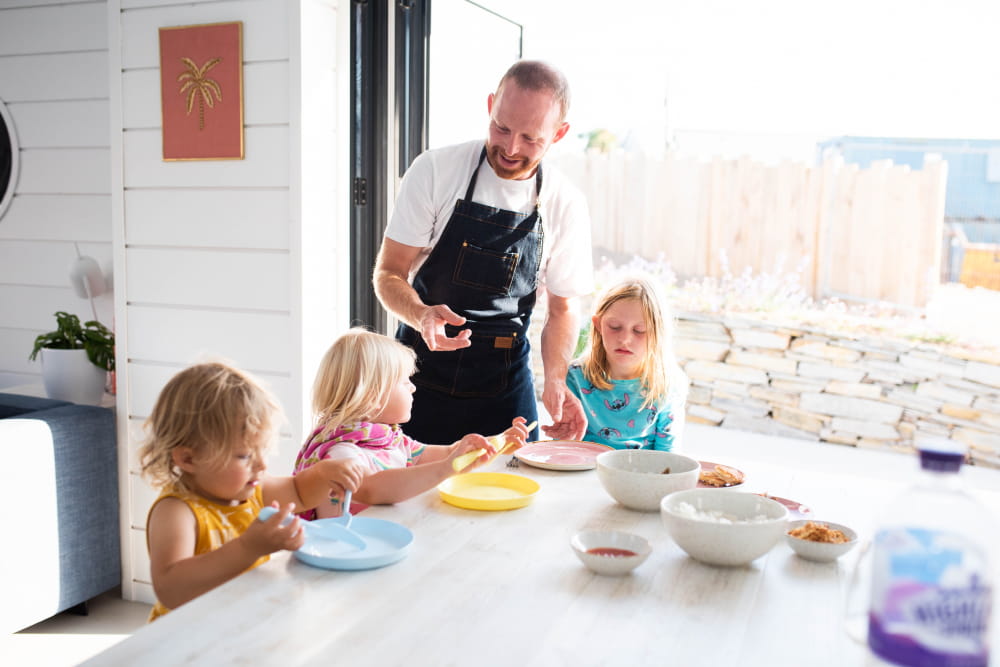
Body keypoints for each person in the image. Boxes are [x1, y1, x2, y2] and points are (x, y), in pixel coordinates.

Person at [373, 59, 594, 446]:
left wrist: (556, 381)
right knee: (402, 494)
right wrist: (422, 314)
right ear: (491, 104)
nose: (510, 147)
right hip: (413, 373)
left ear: (559, 134)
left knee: (512, 493)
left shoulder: (565, 202)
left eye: (531, 138)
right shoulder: (435, 170)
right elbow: (388, 274)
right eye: (502, 127)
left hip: (503, 382)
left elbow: (562, 308)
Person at [137, 362, 366, 621]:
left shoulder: (254, 490)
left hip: (243, 623)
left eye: (262, 451)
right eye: (245, 455)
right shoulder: (177, 511)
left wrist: (324, 473)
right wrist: (248, 547)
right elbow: (170, 589)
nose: (262, 465)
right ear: (188, 459)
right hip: (188, 639)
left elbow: (299, 492)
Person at [293, 328, 530, 516]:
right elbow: (370, 488)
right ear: (374, 397)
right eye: (404, 381)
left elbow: (442, 453)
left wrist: (494, 443)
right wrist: (445, 469)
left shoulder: (388, 438)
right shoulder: (341, 451)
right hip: (341, 558)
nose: (413, 387)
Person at [566, 278, 688, 450]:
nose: (625, 339)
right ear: (598, 325)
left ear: (657, 333)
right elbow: (568, 446)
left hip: (644, 474)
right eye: (615, 327)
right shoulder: (575, 377)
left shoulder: (670, 383)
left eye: (639, 330)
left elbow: (667, 455)